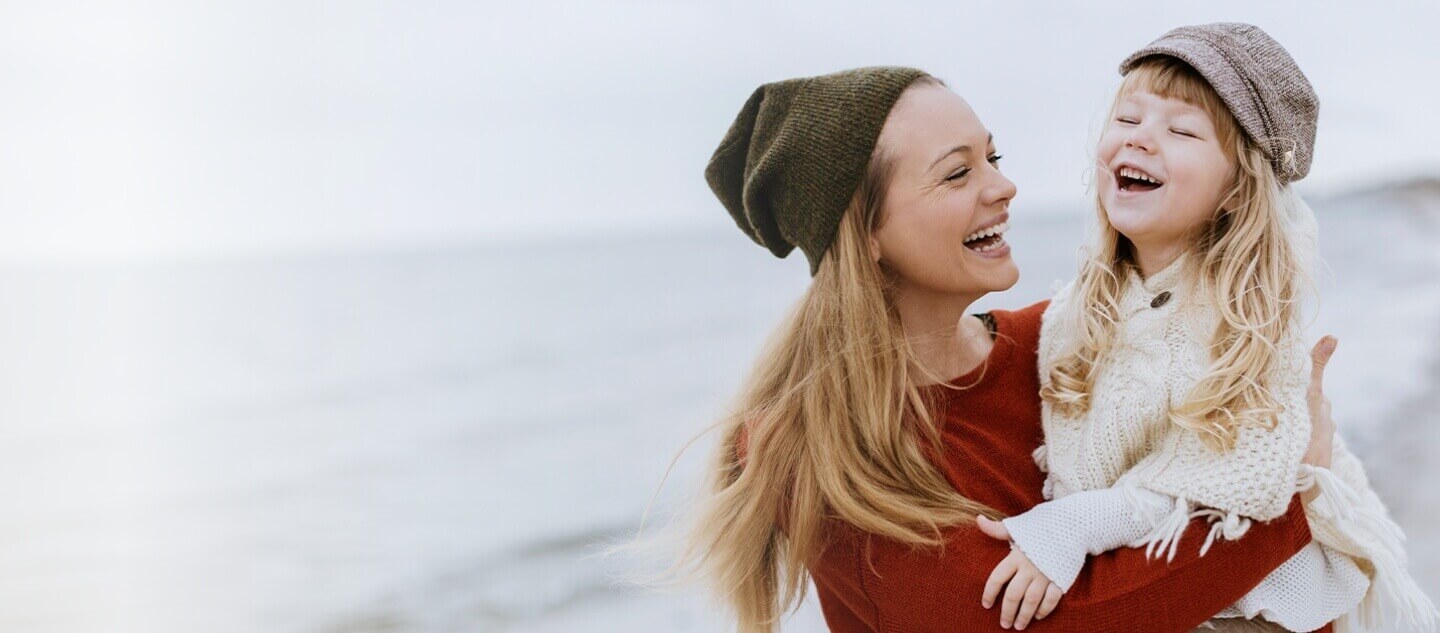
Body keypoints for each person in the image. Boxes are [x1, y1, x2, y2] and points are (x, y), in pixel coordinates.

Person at [670, 65, 1342, 632]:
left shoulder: (1064, 342)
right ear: (864, 229)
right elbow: (1024, 622)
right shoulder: (806, 445)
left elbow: (1207, 455)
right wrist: (1296, 500)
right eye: (957, 174)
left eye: (993, 158)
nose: (1004, 187)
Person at [981, 24, 1437, 632]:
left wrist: (1071, 527)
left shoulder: (1249, 329)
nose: (1141, 139)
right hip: (1148, 596)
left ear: (1235, 191)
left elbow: (1215, 487)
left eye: (1181, 130)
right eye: (1128, 117)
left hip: (1253, 611)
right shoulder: (1076, 311)